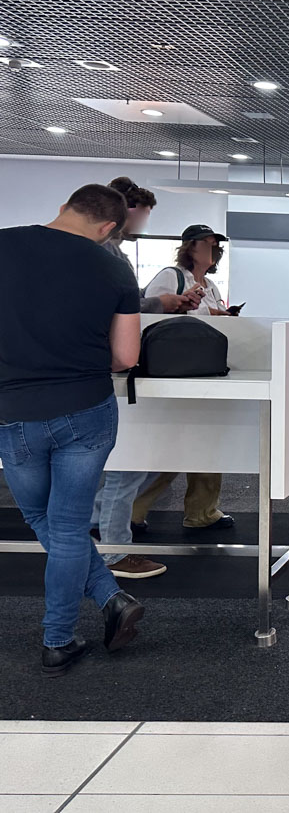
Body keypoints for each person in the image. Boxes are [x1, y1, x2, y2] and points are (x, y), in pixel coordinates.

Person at [0, 184, 146, 676]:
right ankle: (66, 631)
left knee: (44, 521)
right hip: (87, 408)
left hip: (14, 411)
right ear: (109, 229)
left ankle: (96, 610)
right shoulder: (114, 267)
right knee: (64, 527)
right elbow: (127, 357)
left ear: (64, 206)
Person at [91, 178, 204, 579]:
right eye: (142, 215)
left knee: (125, 462)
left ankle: (101, 532)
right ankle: (114, 549)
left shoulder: (107, 252)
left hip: (110, 368)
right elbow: (121, 306)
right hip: (115, 369)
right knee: (130, 463)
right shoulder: (104, 252)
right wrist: (162, 303)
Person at [136, 225, 238, 530]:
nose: (214, 249)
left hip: (206, 370)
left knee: (206, 440)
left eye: (217, 245)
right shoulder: (172, 276)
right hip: (175, 372)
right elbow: (150, 320)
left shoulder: (211, 285)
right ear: (190, 246)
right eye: (208, 244)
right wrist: (181, 301)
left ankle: (203, 512)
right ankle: (128, 511)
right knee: (173, 444)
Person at [144, 224, 231, 316]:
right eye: (205, 243)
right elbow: (150, 315)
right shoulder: (170, 276)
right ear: (189, 248)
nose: (211, 249)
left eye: (214, 244)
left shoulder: (211, 286)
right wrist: (206, 312)